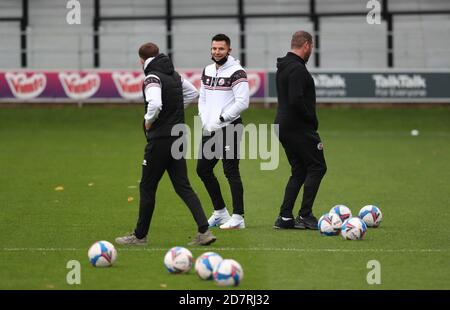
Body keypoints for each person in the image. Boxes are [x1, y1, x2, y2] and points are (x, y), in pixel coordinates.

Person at [116, 42, 216, 246]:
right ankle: (204, 231)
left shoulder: (152, 77)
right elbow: (192, 94)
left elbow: (155, 104)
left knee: (147, 186)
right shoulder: (174, 75)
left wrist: (148, 120)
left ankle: (140, 236)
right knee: (183, 186)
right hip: (178, 136)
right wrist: (175, 111)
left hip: (160, 139)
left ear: (141, 60)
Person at [273, 31, 327, 230]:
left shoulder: (284, 67)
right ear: (306, 45)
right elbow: (296, 100)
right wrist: (312, 120)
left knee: (300, 170)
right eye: (311, 47)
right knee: (318, 167)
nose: (311, 50)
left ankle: (285, 217)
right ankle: (305, 215)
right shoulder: (297, 70)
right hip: (297, 127)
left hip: (284, 125)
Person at [196, 34, 249, 230]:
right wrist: (204, 117)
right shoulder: (208, 70)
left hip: (230, 127)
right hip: (210, 128)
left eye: (221, 49)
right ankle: (220, 212)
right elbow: (202, 97)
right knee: (202, 169)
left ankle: (238, 217)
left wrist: (221, 118)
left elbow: (243, 102)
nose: (217, 52)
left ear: (229, 50)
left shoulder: (237, 72)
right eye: (214, 49)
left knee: (230, 171)